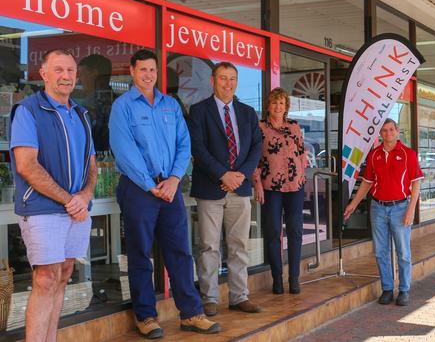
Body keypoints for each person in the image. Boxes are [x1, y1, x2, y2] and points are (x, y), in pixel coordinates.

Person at [109, 49, 220, 339]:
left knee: (181, 252)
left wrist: (173, 179)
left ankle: (191, 314)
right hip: (138, 189)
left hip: (170, 189)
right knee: (140, 255)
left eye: (152, 70)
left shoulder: (170, 105)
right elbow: (124, 149)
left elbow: (184, 145)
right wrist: (150, 184)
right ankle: (146, 317)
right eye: (143, 69)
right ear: (132, 71)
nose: (148, 75)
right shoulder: (123, 107)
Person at [10, 49, 97, 342]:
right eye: (58, 70)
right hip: (42, 209)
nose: (66, 76)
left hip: (77, 210)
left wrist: (84, 196)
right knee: (46, 278)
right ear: (43, 74)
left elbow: (92, 165)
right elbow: (26, 165)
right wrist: (68, 199)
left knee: (63, 274)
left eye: (71, 70)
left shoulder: (81, 114)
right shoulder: (28, 110)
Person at [188, 61, 262, 317]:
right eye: (223, 78)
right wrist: (222, 174)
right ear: (212, 81)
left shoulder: (248, 112)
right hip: (210, 188)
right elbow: (197, 148)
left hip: (240, 189)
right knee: (209, 246)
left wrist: (239, 176)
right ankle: (209, 298)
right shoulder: (198, 111)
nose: (228, 83)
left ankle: (239, 296)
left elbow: (256, 147)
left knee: (239, 245)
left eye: (232, 78)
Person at [343, 118, 423, 306]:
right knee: (380, 252)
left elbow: (416, 183)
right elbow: (367, 182)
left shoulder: (408, 154)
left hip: (400, 208)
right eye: (384, 131)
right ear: (380, 133)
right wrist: (353, 204)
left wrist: (411, 209)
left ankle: (404, 290)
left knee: (403, 253)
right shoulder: (374, 155)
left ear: (397, 131)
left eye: (391, 130)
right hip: (378, 208)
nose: (388, 133)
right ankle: (387, 289)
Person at [252, 87, 307, 295]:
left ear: (286, 107)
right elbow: (255, 158)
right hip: (270, 187)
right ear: (268, 105)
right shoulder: (259, 128)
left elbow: (302, 152)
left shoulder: (294, 127)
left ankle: (294, 278)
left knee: (295, 232)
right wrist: (257, 183)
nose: (278, 107)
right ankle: (277, 278)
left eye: (282, 103)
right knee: (273, 231)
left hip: (295, 187)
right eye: (275, 103)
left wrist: (302, 174)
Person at [78, 54, 114, 152]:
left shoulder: (90, 105)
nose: (79, 81)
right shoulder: (118, 102)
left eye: (82, 74)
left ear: (94, 73)